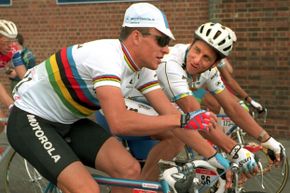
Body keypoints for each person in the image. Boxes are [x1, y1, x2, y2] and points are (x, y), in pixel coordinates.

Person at [6, 3, 230, 193]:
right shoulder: (107, 58)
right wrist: (181, 120)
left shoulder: (143, 68)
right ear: (136, 36)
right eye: (161, 40)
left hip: (69, 121)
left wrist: (214, 157)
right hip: (30, 118)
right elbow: (119, 122)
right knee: (87, 189)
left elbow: (170, 114)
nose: (166, 49)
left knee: (129, 171)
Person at [154, 22, 284, 169]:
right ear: (191, 43)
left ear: (215, 63)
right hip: (135, 107)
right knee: (176, 136)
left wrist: (267, 139)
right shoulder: (170, 64)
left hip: (163, 107)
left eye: (206, 58)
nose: (197, 60)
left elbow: (232, 107)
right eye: (196, 50)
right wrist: (236, 150)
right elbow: (194, 113)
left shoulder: (211, 71)